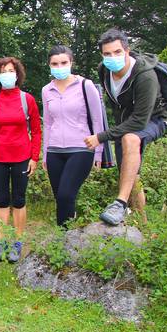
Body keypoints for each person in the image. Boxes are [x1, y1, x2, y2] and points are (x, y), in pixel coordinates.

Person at [84, 28, 167, 225]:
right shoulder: (104, 70)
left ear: (127, 51)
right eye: (107, 53)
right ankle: (144, 226)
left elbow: (140, 121)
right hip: (125, 125)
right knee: (130, 174)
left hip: (153, 120)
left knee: (131, 138)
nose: (112, 57)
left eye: (117, 52)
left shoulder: (145, 76)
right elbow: (116, 105)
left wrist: (102, 136)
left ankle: (119, 204)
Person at [0, 57, 41, 263]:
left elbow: (36, 130)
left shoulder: (28, 100)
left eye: (11, 70)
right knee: (2, 200)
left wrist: (34, 157)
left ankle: (17, 242)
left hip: (22, 157)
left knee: (19, 199)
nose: (7, 74)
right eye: (3, 71)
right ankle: (3, 242)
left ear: (17, 74)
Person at [42, 45, 104, 227]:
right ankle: (63, 240)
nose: (59, 66)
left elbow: (97, 119)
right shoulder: (47, 90)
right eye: (55, 63)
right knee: (60, 197)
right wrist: (45, 153)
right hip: (54, 150)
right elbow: (47, 123)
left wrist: (98, 152)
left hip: (81, 148)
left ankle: (66, 238)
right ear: (49, 65)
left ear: (71, 62)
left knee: (66, 194)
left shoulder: (86, 85)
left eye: (63, 62)